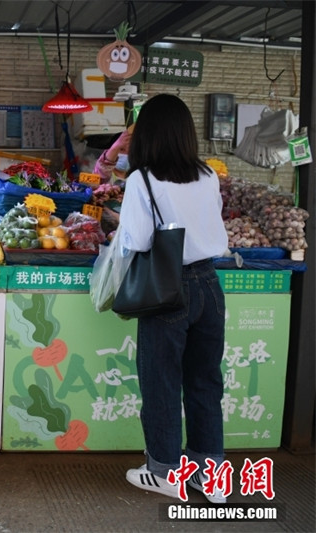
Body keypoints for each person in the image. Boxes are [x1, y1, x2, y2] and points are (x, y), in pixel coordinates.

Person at [119, 94, 229, 504]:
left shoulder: (141, 180)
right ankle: (210, 476)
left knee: (162, 382)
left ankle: (164, 471)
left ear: (146, 135)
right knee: (205, 382)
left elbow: (139, 240)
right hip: (209, 286)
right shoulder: (207, 176)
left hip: (168, 289)